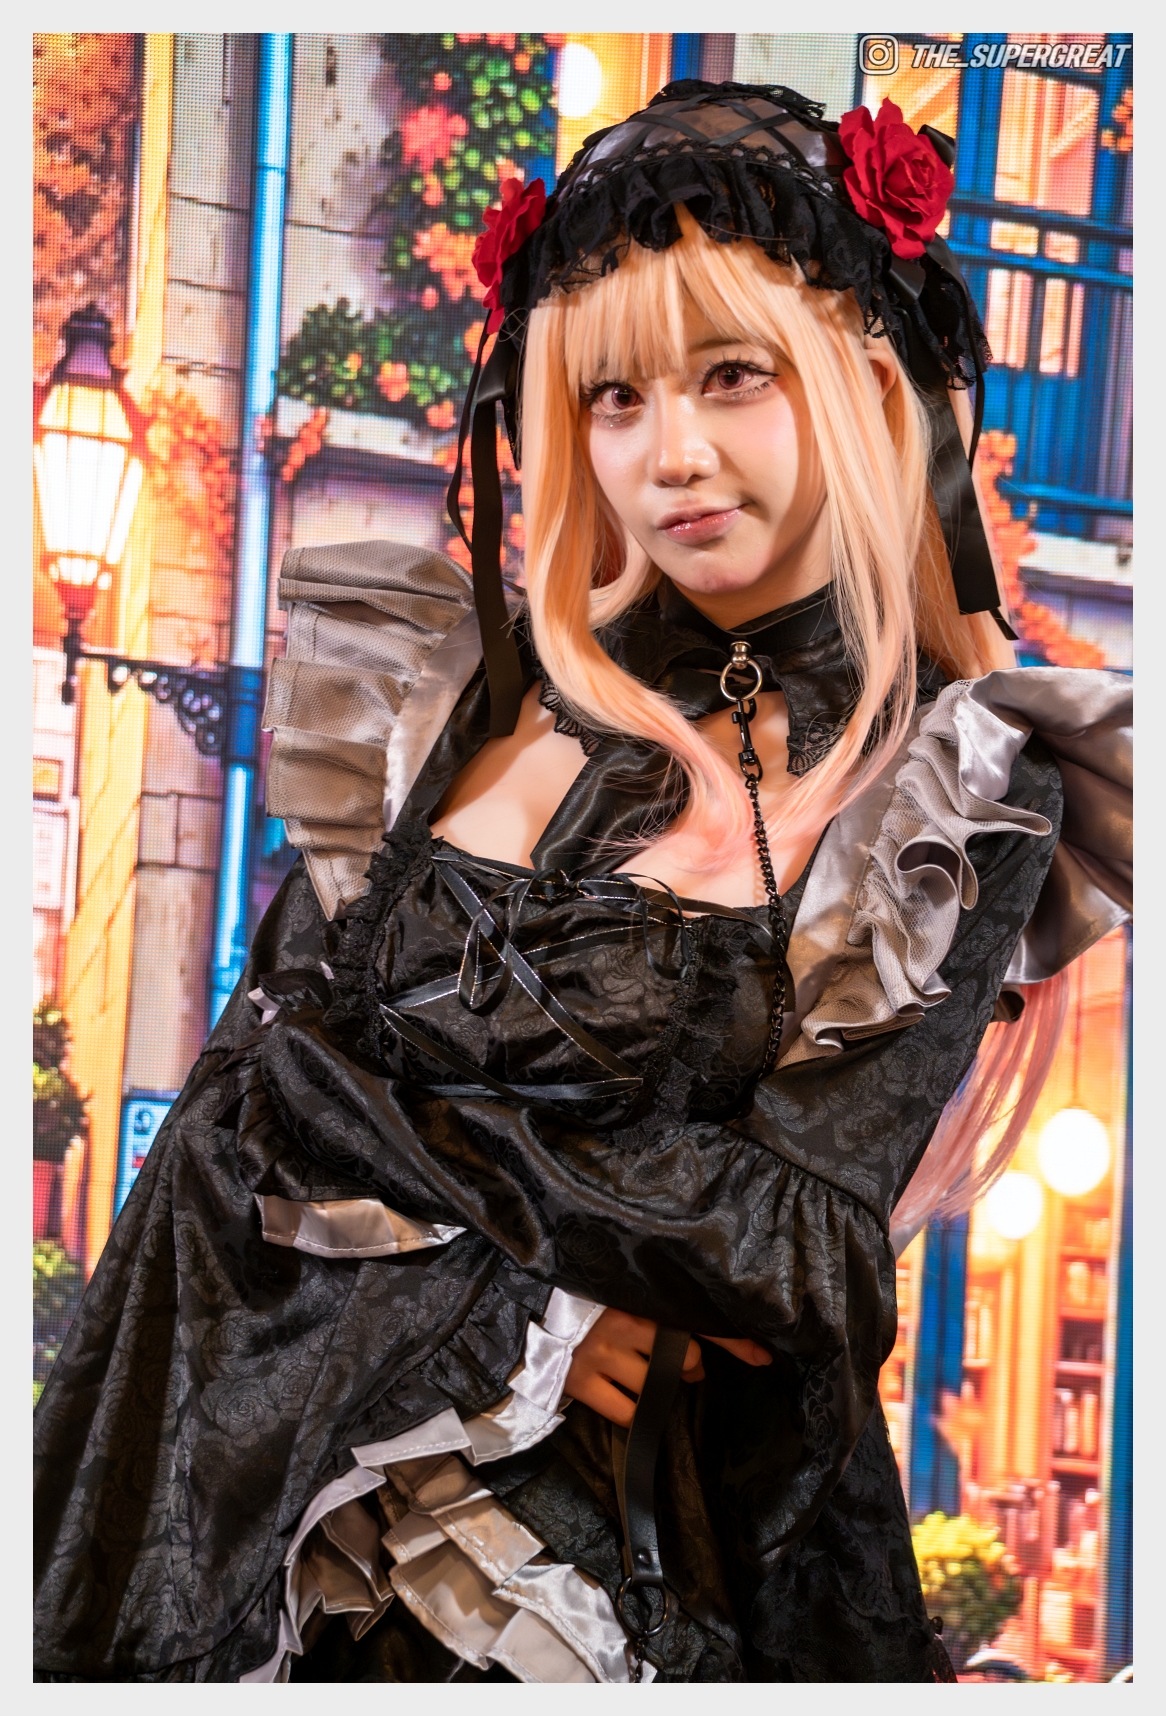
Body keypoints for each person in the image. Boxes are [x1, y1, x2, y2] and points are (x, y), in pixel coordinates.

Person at [34, 80, 1131, 1684]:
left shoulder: (954, 789)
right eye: (612, 397)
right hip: (292, 1552)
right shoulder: (449, 710)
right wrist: (534, 1289)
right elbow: (236, 1115)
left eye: (733, 375)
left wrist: (397, 1152)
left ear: (863, 379)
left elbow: (786, 1249)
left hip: (654, 1581)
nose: (669, 455)